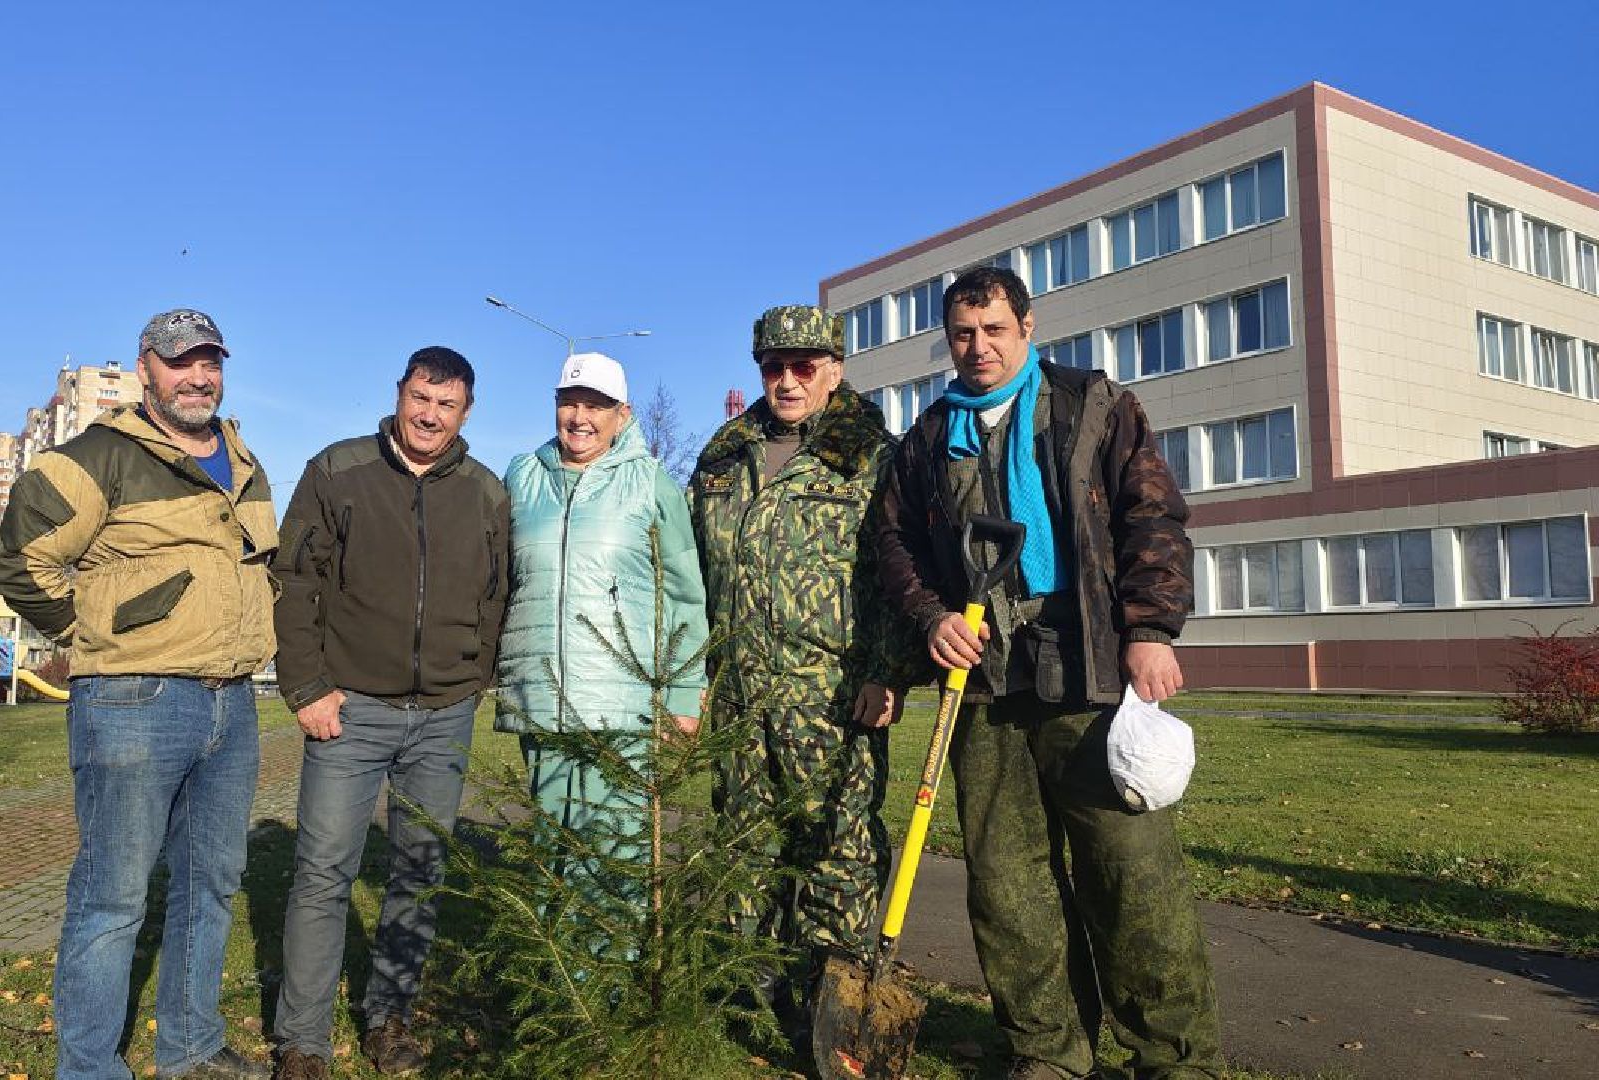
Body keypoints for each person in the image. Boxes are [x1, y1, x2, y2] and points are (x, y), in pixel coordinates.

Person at [871, 265, 1222, 1080]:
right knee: (1006, 888)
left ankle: (1174, 1060)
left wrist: (1152, 628)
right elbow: (895, 546)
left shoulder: (1092, 405)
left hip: (1090, 672)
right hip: (987, 687)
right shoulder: (927, 439)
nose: (979, 347)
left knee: (1132, 879)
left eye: (995, 329)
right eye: (964, 333)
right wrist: (929, 619)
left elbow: (1152, 516)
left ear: (1028, 327)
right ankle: (1049, 1055)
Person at [0, 309, 276, 1080]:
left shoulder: (243, 459)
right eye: (181, 361)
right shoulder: (97, 456)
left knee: (211, 884)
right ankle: (88, 1068)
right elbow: (20, 563)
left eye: (211, 360)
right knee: (114, 895)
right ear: (146, 366)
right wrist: (96, 634)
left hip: (232, 701)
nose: (199, 375)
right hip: (135, 701)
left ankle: (190, 1046)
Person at [270, 347, 510, 1080]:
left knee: (420, 868)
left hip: (443, 714)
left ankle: (390, 1018)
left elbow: (498, 593)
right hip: (351, 709)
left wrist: (476, 676)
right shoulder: (337, 471)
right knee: (322, 870)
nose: (429, 415)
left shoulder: (485, 493)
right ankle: (303, 1041)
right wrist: (307, 687)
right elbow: (295, 581)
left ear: (465, 413)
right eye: (419, 398)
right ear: (399, 394)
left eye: (446, 405)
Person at [688, 304, 912, 1038]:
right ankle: (749, 990)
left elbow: (895, 574)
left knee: (836, 844)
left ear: (835, 370)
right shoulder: (725, 455)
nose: (786, 380)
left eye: (803, 366)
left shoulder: (871, 455)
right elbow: (692, 574)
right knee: (744, 839)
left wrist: (888, 672)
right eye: (773, 366)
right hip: (740, 693)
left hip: (832, 693)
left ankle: (828, 1000)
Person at [493, 351, 708, 922]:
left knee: (614, 856)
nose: (581, 416)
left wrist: (684, 695)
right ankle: (563, 996)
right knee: (553, 852)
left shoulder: (651, 483)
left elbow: (684, 593)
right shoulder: (523, 476)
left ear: (623, 413)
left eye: (596, 405)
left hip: (622, 706)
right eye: (570, 402)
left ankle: (613, 999)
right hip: (541, 699)